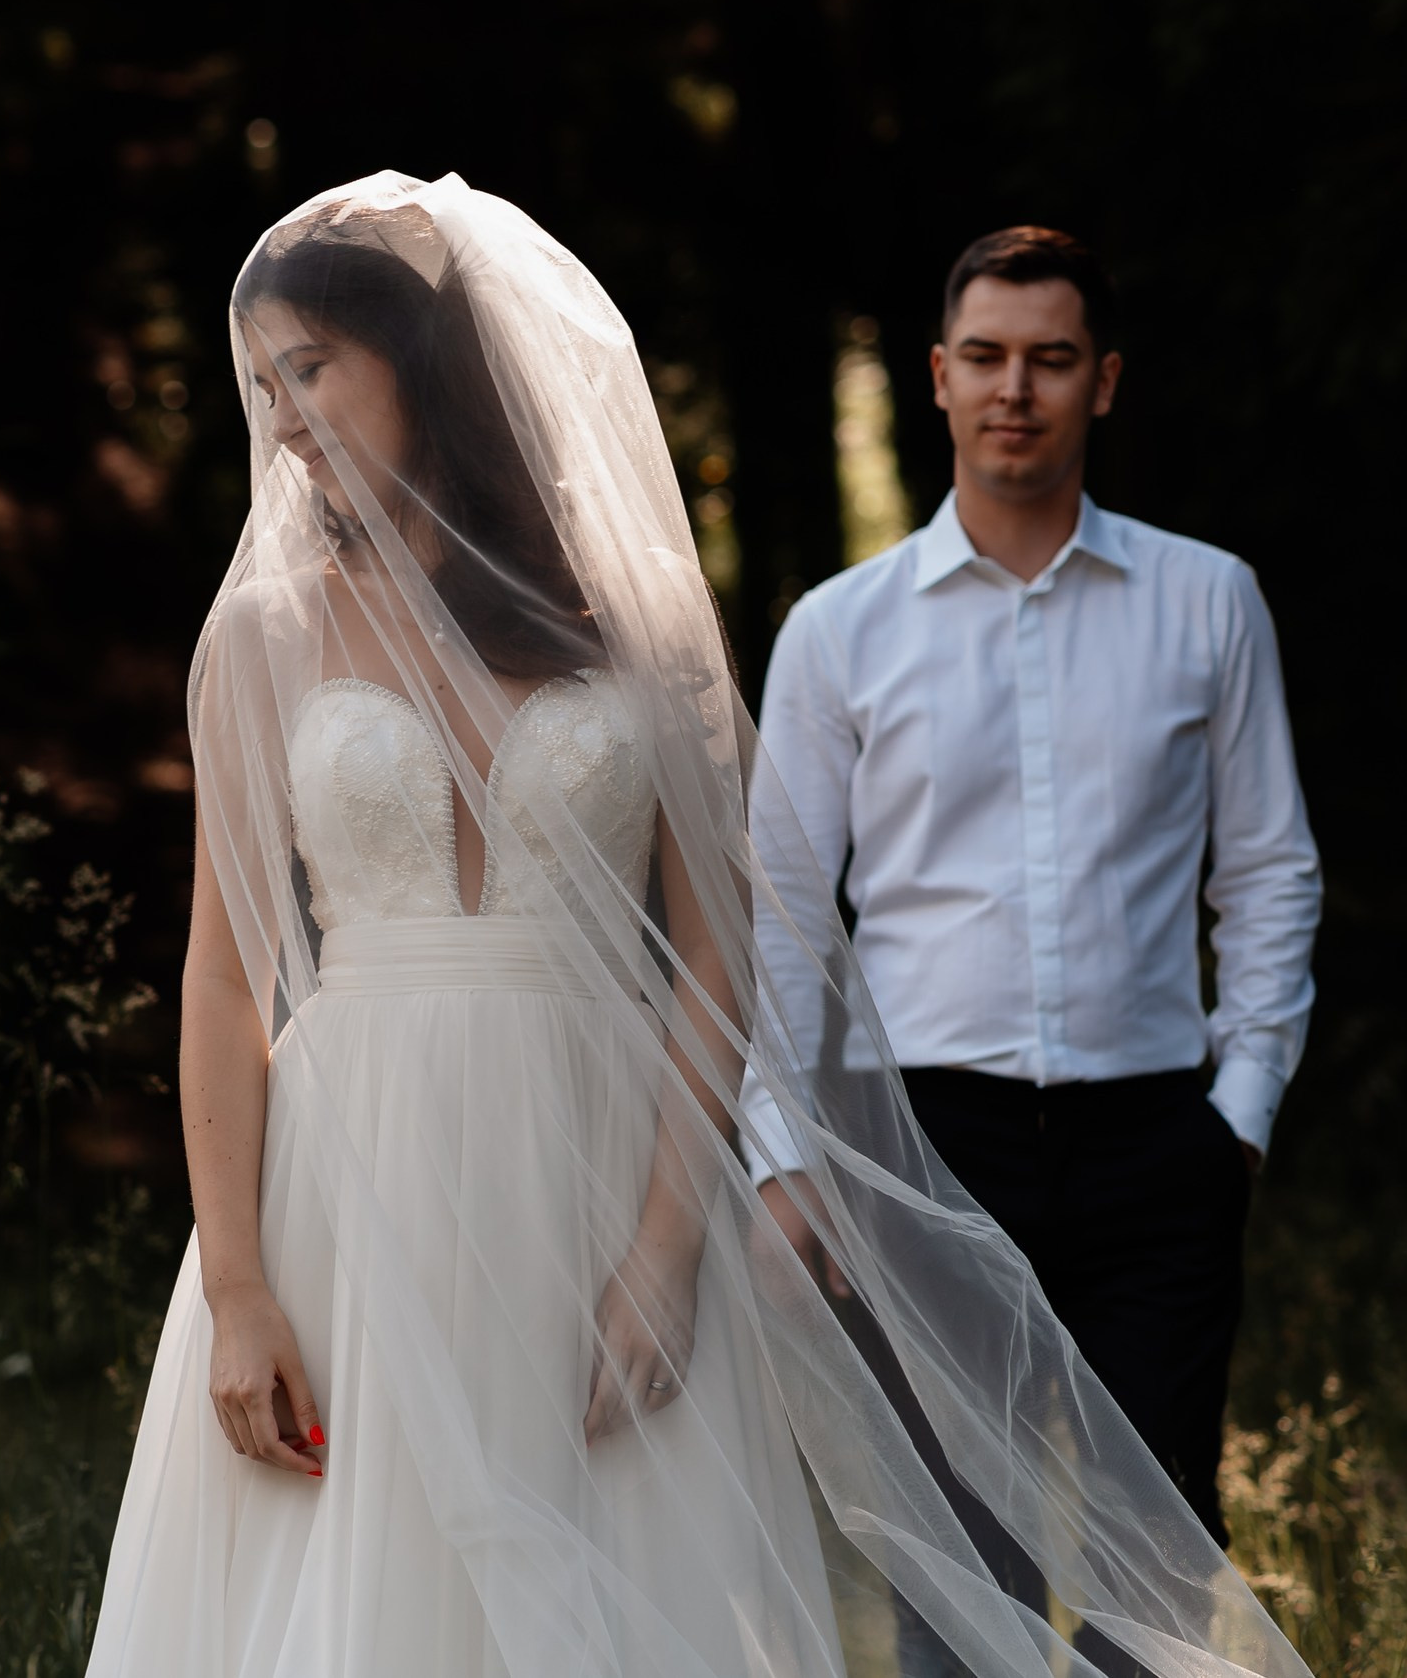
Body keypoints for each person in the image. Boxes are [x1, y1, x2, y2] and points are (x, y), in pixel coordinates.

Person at [86, 175, 1312, 1678]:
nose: (282, 412)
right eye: (263, 379)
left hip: (599, 1164)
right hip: (355, 1181)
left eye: (312, 367)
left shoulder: (634, 620)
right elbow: (220, 976)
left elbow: (719, 954)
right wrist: (238, 1286)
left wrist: (670, 1248)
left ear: (417, 364)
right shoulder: (263, 634)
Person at [739, 227, 1323, 1676]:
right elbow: (780, 918)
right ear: (936, 380)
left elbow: (1269, 873)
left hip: (1154, 1152)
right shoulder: (838, 632)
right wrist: (785, 1154)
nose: (1018, 390)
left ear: (1103, 383)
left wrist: (1236, 1112)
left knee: (1155, 1557)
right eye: (987, 359)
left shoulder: (1211, 602)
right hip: (927, 1152)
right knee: (954, 1560)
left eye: (1052, 360)